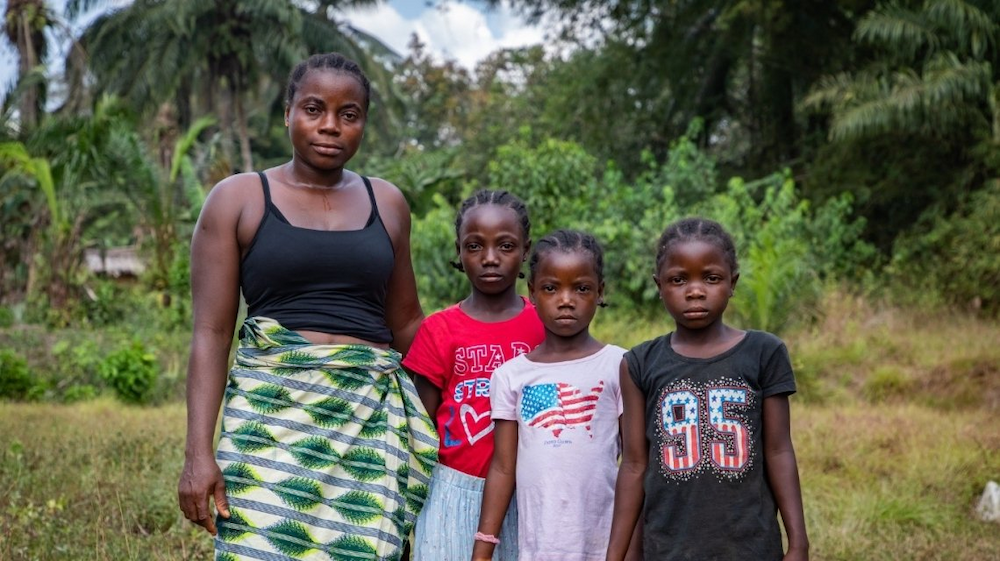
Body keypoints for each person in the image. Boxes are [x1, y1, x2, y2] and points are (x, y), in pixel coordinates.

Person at [176, 52, 438, 561]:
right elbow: (210, 332)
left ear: (363, 122)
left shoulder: (388, 203)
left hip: (368, 421)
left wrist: (465, 386)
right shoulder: (238, 199)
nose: (330, 126)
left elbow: (407, 321)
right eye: (314, 109)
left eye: (349, 114)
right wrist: (197, 453)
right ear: (288, 113)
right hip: (268, 421)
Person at [605, 217, 809, 561]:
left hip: (750, 547)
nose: (695, 290)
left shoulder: (764, 353)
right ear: (659, 285)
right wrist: (618, 555)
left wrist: (798, 543)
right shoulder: (639, 363)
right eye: (678, 279)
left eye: (711, 278)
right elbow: (635, 466)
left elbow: (778, 451)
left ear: (733, 282)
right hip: (668, 547)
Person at [405, 189, 545, 561]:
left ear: (526, 250)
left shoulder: (545, 325)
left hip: (532, 494)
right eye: (474, 246)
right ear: (459, 250)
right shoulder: (439, 330)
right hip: (454, 491)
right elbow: (422, 432)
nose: (489, 258)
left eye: (505, 246)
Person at [472, 229, 627, 561]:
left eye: (581, 288)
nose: (566, 300)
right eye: (551, 288)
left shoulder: (619, 366)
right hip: (538, 548)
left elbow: (636, 464)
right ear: (532, 292)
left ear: (600, 292)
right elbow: (503, 467)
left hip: (605, 546)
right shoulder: (511, 376)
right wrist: (482, 549)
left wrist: (629, 550)